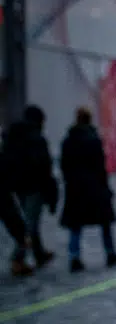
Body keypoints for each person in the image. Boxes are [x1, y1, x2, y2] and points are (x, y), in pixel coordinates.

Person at [59, 108, 116, 272]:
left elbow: (64, 165)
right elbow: (100, 166)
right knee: (104, 222)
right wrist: (105, 186)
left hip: (75, 188)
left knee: (76, 225)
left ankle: (74, 257)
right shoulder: (93, 139)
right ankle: (110, 253)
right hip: (94, 187)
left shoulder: (69, 140)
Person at [2, 106, 58, 271]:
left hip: (18, 184)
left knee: (30, 219)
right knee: (30, 222)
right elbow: (43, 164)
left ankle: (38, 253)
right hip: (34, 185)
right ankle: (18, 258)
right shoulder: (36, 137)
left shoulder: (13, 135)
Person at [0, 134, 32, 277]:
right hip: (5, 199)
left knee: (21, 232)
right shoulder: (6, 157)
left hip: (6, 198)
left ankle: (18, 261)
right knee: (21, 232)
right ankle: (17, 262)